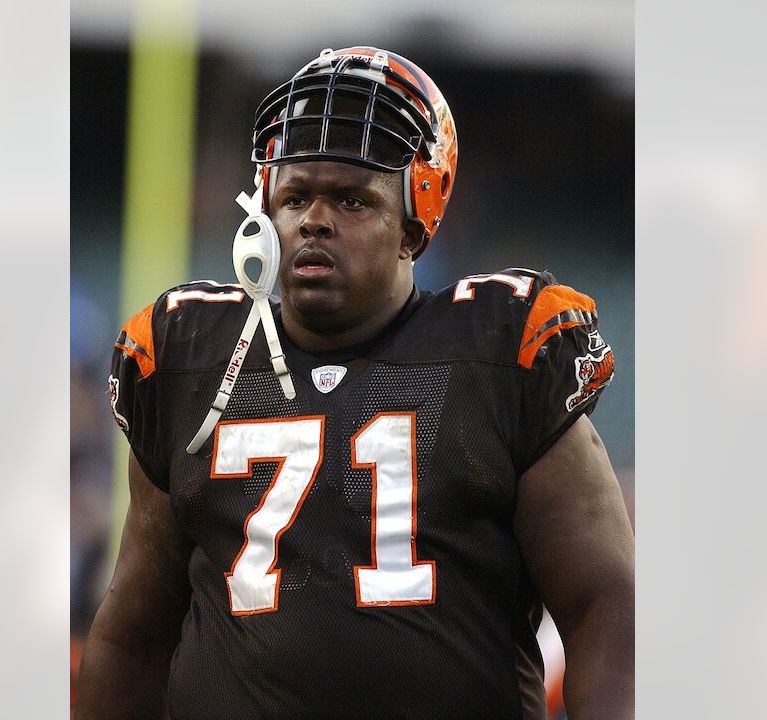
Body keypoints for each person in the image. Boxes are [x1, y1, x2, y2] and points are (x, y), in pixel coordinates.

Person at [76, 46, 634, 720]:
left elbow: (604, 601)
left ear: (413, 222)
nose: (315, 219)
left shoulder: (499, 353)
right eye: (296, 196)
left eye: (351, 199)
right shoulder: (191, 362)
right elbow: (134, 636)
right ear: (263, 216)